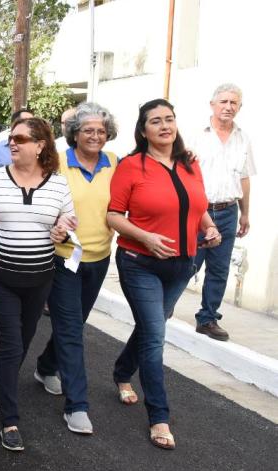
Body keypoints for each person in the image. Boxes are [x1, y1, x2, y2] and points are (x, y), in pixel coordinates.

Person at [107, 99, 218, 450]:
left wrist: (210, 227)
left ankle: (122, 372)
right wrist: (146, 237)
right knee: (155, 336)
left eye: (169, 119)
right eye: (155, 121)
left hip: (183, 264)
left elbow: (197, 206)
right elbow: (113, 215)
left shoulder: (190, 163)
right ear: (143, 130)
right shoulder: (131, 166)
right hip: (140, 262)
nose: (164, 126)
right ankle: (159, 416)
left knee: (149, 327)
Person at [0, 117, 76, 452]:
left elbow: (68, 225)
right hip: (0, 276)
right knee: (12, 344)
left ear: (40, 145)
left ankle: (4, 386)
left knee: (25, 340)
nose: (12, 143)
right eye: (11, 138)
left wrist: (62, 231)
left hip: (39, 279)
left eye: (21, 139)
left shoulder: (58, 185)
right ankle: (9, 419)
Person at [32, 102, 119, 435]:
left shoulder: (115, 162)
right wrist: (54, 224)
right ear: (74, 133)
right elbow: (40, 201)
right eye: (88, 130)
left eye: (101, 130)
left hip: (99, 258)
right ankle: (77, 405)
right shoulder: (56, 164)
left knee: (74, 322)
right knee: (71, 329)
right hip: (63, 258)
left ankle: (45, 366)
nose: (95, 136)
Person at [190, 84, 256, 341]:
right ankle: (165, 304)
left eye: (234, 103)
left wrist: (245, 213)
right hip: (198, 211)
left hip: (228, 211)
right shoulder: (196, 135)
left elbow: (245, 178)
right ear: (212, 104)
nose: (229, 107)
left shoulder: (243, 139)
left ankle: (207, 318)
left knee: (219, 269)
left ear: (240, 107)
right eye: (224, 102)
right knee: (188, 263)